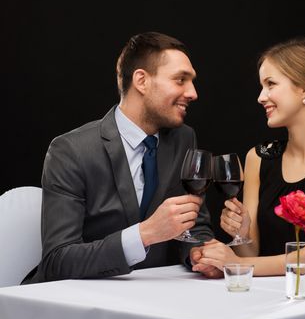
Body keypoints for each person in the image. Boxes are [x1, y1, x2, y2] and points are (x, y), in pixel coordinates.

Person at [24, 31, 219, 283]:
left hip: (156, 299)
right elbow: (58, 259)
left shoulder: (183, 138)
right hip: (77, 304)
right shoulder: (70, 150)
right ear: (141, 81)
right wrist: (144, 234)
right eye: (181, 79)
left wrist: (200, 253)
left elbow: (195, 225)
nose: (193, 93)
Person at [193, 37, 305, 276]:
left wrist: (235, 264)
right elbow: (252, 253)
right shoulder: (258, 157)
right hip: (273, 294)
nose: (261, 97)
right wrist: (241, 234)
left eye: (270, 84)